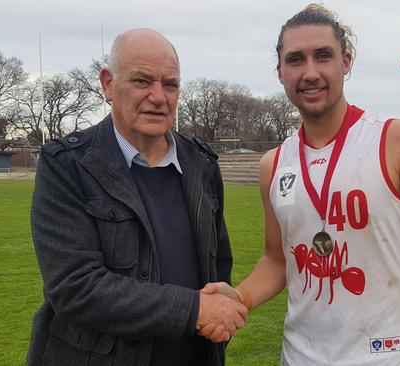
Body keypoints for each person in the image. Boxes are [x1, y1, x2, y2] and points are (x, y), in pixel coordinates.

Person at [200, 5, 400, 365]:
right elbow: (278, 259)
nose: (310, 72)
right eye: (295, 60)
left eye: (323, 56)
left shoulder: (397, 140)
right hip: (300, 358)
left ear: (346, 62)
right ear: (279, 72)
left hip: (388, 358)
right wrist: (238, 298)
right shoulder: (273, 165)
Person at [26, 28, 246, 366]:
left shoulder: (201, 164)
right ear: (108, 84)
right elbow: (76, 287)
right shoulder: (67, 165)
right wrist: (194, 309)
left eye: (170, 84)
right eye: (142, 81)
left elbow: (218, 262)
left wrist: (220, 310)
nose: (158, 97)